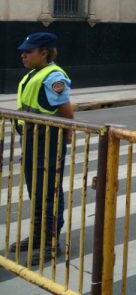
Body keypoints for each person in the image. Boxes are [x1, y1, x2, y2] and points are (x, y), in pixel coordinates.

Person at [13, 32, 74, 265]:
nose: (23, 55)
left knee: (49, 193)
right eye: (23, 51)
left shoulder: (53, 76)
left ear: (44, 53)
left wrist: (66, 135)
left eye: (28, 51)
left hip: (47, 140)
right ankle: (38, 237)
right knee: (36, 190)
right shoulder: (34, 74)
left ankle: (51, 243)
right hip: (31, 140)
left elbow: (66, 112)